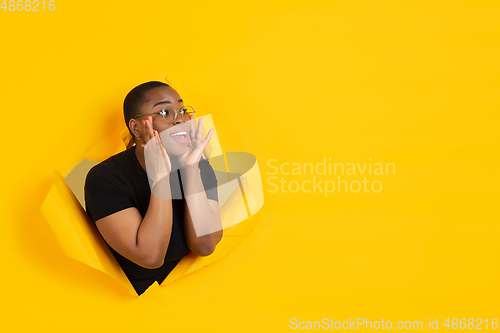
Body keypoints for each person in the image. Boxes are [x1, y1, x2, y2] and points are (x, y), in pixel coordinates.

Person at [84, 81, 223, 295]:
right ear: (136, 128)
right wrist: (159, 178)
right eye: (165, 111)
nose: (180, 119)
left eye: (183, 111)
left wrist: (191, 169)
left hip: (193, 291)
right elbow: (150, 257)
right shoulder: (104, 179)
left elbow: (205, 246)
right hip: (134, 306)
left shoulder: (197, 163)